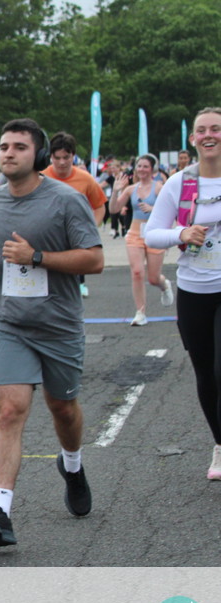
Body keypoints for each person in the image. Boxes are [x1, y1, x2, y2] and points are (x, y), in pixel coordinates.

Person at [0, 118, 104, 547]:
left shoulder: (66, 200)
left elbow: (94, 260)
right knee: (10, 410)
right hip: (8, 322)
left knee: (62, 408)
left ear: (39, 155)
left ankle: (72, 465)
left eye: (19, 147)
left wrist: (37, 257)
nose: (8, 153)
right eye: (3, 147)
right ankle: (0, 512)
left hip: (58, 324)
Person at [146, 107, 221, 480]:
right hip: (194, 290)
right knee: (206, 374)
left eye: (216, 129)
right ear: (192, 139)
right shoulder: (180, 183)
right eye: (202, 130)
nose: (209, 135)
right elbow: (151, 233)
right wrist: (182, 233)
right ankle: (220, 444)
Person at [109, 154, 174, 325]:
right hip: (135, 233)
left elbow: (170, 210)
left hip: (155, 233)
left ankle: (164, 285)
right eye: (139, 166)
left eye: (145, 166)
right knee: (137, 272)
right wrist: (115, 191)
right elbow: (114, 209)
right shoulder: (131, 189)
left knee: (153, 278)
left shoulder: (159, 188)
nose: (142, 169)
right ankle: (140, 312)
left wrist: (153, 208)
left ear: (152, 169)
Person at [41, 132, 107, 298]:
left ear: (73, 156)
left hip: (74, 234)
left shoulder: (85, 179)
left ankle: (80, 284)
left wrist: (91, 229)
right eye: (57, 158)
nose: (62, 162)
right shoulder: (41, 177)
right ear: (50, 157)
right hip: (48, 234)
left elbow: (99, 206)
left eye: (66, 157)